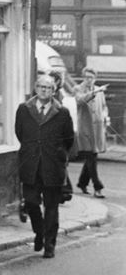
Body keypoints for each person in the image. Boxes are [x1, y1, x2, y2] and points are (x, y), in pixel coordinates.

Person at [15, 73, 74, 259]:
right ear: (35, 88)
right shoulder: (24, 109)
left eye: (48, 88)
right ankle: (39, 232)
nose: (44, 90)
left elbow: (69, 139)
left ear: (53, 91)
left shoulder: (62, 112)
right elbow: (20, 133)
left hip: (52, 166)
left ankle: (49, 245)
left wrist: (57, 154)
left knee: (51, 207)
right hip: (30, 164)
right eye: (41, 87)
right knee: (31, 203)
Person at [74, 67, 110, 197]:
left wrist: (105, 117)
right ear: (83, 77)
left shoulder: (99, 90)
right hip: (86, 129)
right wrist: (94, 92)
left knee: (92, 157)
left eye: (91, 77)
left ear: (95, 78)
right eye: (86, 77)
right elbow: (80, 100)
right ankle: (97, 187)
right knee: (91, 157)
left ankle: (82, 183)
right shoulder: (78, 89)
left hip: (98, 129)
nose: (89, 80)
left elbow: (104, 107)